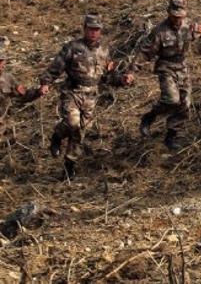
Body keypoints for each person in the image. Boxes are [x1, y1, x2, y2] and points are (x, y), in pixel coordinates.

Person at [129, 0, 201, 150]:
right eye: (174, 16)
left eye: (180, 16)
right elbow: (145, 53)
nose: (177, 19)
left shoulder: (189, 27)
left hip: (182, 68)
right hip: (166, 67)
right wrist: (132, 71)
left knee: (185, 104)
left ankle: (171, 136)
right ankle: (150, 116)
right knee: (172, 99)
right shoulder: (159, 32)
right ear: (168, 13)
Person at [39, 15, 133, 179]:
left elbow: (107, 76)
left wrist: (122, 79)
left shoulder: (104, 51)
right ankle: (57, 135)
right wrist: (45, 82)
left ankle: (69, 167)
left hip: (91, 96)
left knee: (81, 132)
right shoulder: (72, 47)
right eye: (90, 29)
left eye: (96, 30)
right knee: (73, 123)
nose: (93, 33)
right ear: (84, 29)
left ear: (101, 31)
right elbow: (56, 67)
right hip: (73, 92)